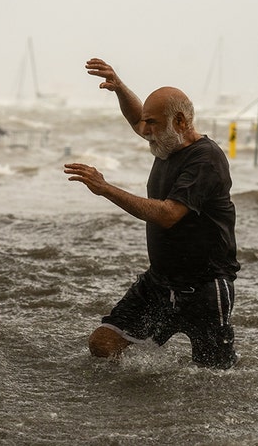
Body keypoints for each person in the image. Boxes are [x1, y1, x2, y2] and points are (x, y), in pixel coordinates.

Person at [64, 58, 240, 369]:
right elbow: (137, 120)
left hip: (205, 288)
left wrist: (106, 189)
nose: (146, 131)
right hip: (159, 283)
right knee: (103, 344)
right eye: (147, 124)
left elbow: (168, 214)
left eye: (154, 124)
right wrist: (119, 88)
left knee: (214, 378)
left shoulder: (206, 159)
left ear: (181, 122)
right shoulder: (165, 143)